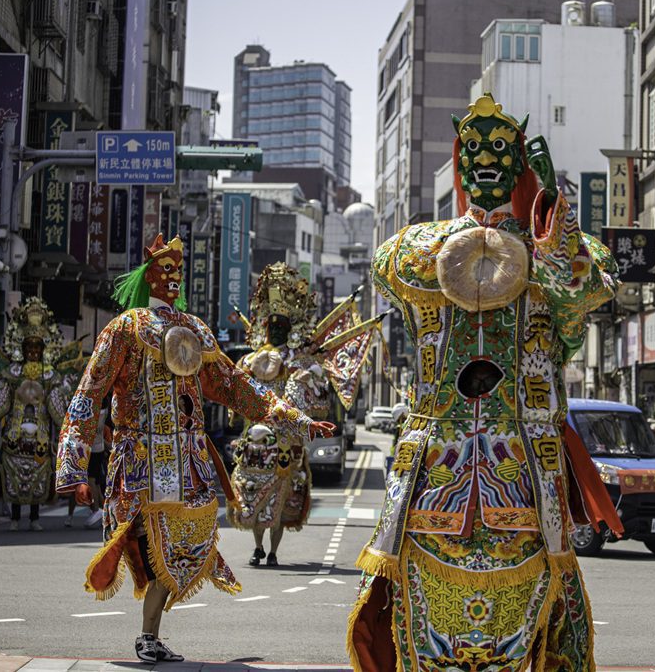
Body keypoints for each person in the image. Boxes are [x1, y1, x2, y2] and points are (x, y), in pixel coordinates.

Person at [347, 93, 621, 670]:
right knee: (425, 632)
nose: (486, 160)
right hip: (435, 477)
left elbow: (587, 284)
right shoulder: (421, 250)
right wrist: (479, 242)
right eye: (472, 149)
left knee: (520, 635)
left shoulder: (554, 254)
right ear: (459, 163)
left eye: (501, 148)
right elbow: (388, 264)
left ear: (521, 163)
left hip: (520, 473)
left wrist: (549, 209)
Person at [55, 234, 334, 664]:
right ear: (148, 277)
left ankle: (149, 632)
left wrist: (295, 419)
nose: (171, 278)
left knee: (192, 541)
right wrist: (72, 467)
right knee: (150, 544)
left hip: (188, 462)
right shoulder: (125, 329)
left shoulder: (196, 332)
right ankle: (148, 633)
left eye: (176, 273)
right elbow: (88, 393)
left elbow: (237, 386)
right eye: (163, 270)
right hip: (139, 461)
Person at [229, 266, 380, 568]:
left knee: (282, 500)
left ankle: (271, 551)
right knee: (250, 492)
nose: (276, 330)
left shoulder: (303, 362)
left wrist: (311, 378)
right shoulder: (248, 360)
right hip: (255, 442)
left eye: (282, 325)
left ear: (291, 327)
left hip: (287, 444)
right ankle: (258, 546)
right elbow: (236, 401)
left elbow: (319, 406)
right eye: (272, 325)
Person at [0, 299, 83, 531]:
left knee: (39, 480)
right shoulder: (11, 373)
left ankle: (34, 517)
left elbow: (59, 415)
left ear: (44, 350)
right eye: (29, 347)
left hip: (40, 438)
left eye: (37, 347)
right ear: (22, 348)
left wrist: (61, 395)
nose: (33, 351)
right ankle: (15, 517)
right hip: (14, 437)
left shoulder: (51, 376)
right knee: (13, 480)